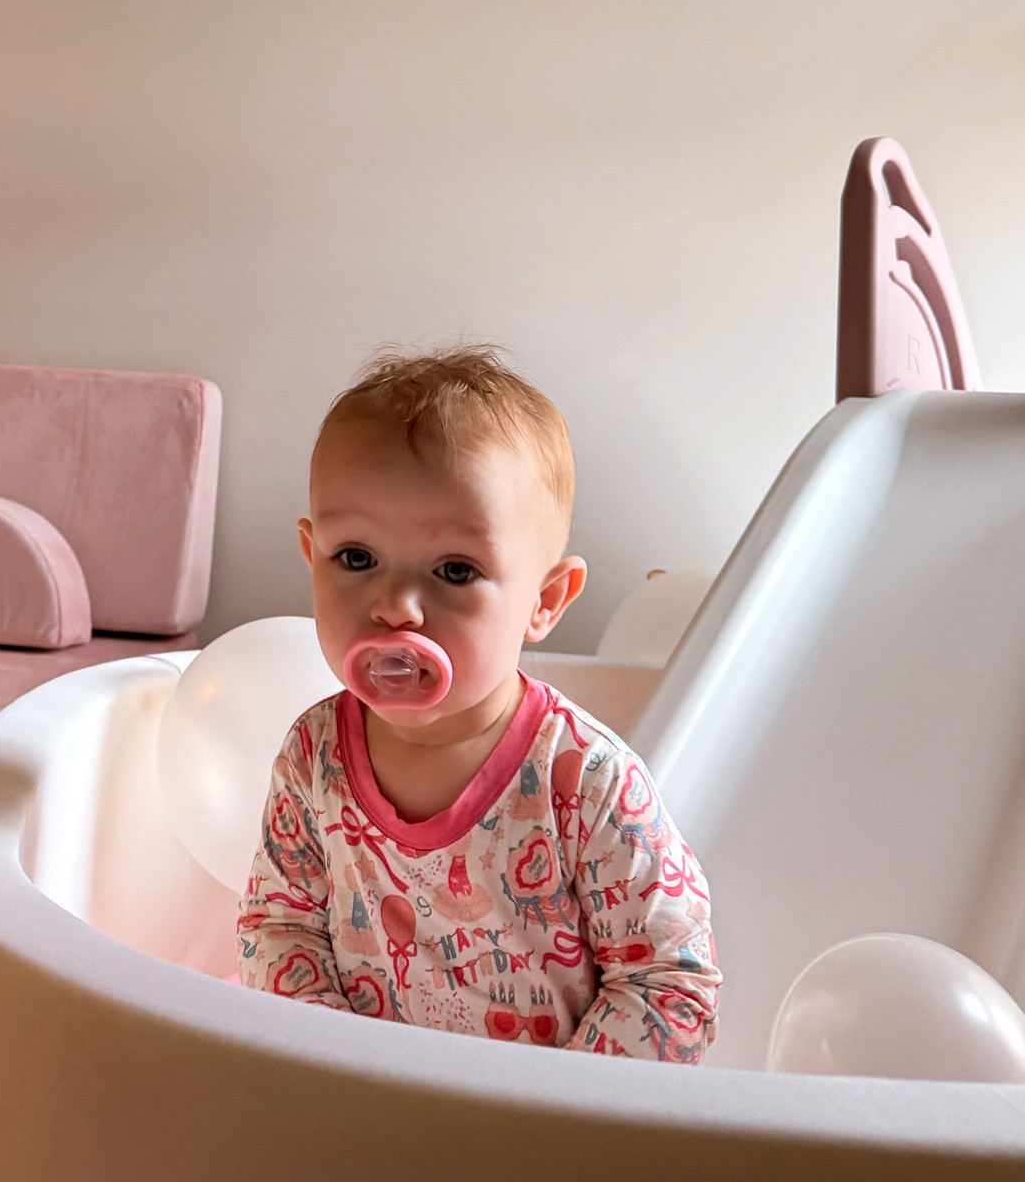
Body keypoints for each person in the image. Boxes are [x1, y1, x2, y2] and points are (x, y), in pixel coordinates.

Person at [237, 347, 719, 1059]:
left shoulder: (584, 782)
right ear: (312, 555)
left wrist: (546, 1120)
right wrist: (336, 1072)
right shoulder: (313, 755)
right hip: (366, 1111)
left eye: (454, 570)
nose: (395, 606)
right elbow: (279, 926)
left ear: (544, 600)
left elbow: (669, 984)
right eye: (357, 558)